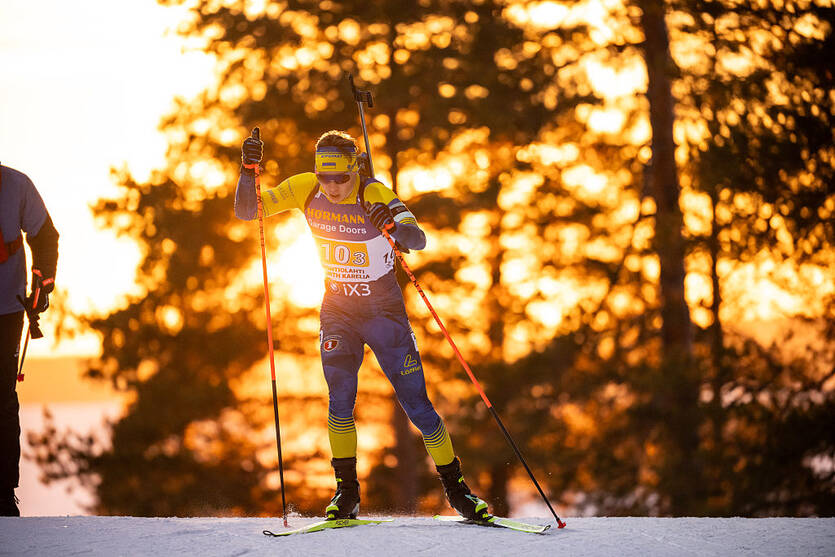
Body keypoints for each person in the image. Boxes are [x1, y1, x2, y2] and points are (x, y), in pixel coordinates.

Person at [234, 130, 490, 520]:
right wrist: (247, 170)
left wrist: (392, 226)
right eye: (325, 177)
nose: (332, 186)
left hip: (383, 312)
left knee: (418, 407)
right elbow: (247, 210)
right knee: (340, 401)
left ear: (354, 169)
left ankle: (458, 492)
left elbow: (417, 239)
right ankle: (347, 494)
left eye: (340, 177)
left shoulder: (374, 193)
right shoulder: (306, 188)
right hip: (338, 310)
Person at [0, 163, 59, 516]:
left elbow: (45, 236)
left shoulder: (17, 185)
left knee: (2, 398)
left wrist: (43, 283)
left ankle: (3, 494)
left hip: (6, 309)